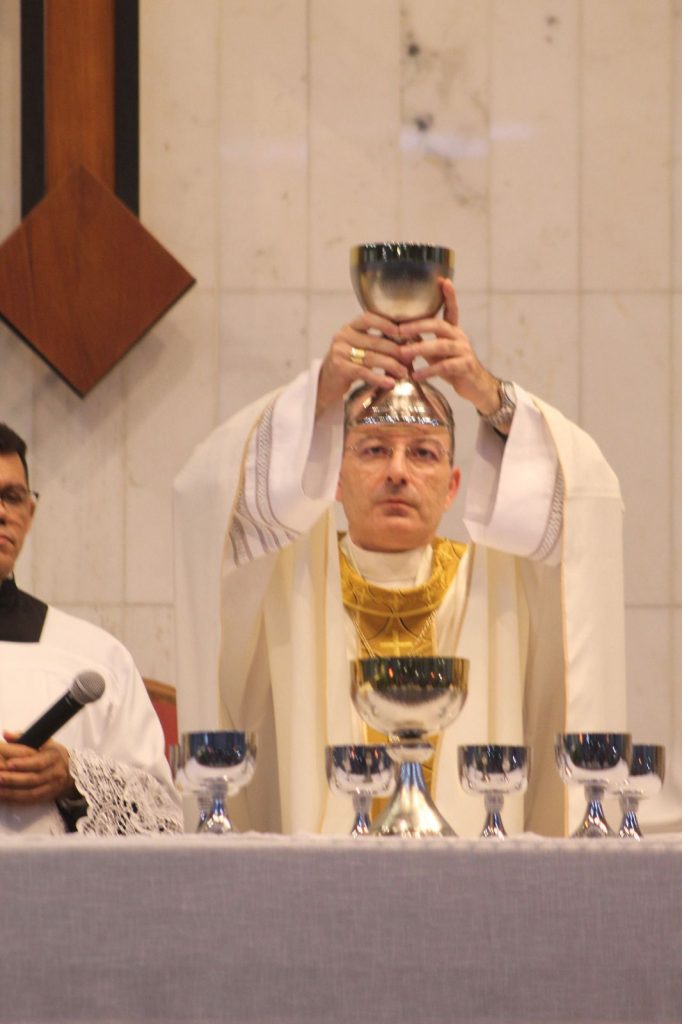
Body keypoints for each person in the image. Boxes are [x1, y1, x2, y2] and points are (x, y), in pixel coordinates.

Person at [174, 279, 627, 837]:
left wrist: (490, 395)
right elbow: (205, 495)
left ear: (453, 486)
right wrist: (318, 393)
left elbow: (585, 508)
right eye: (373, 449)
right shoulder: (292, 585)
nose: (397, 472)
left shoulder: (493, 587)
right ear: (334, 477)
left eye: (423, 453)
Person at [0, 423, 183, 836]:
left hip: (57, 877)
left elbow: (165, 817)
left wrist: (74, 779)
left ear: (30, 514)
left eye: (12, 497)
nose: (2, 513)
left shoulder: (96, 656)